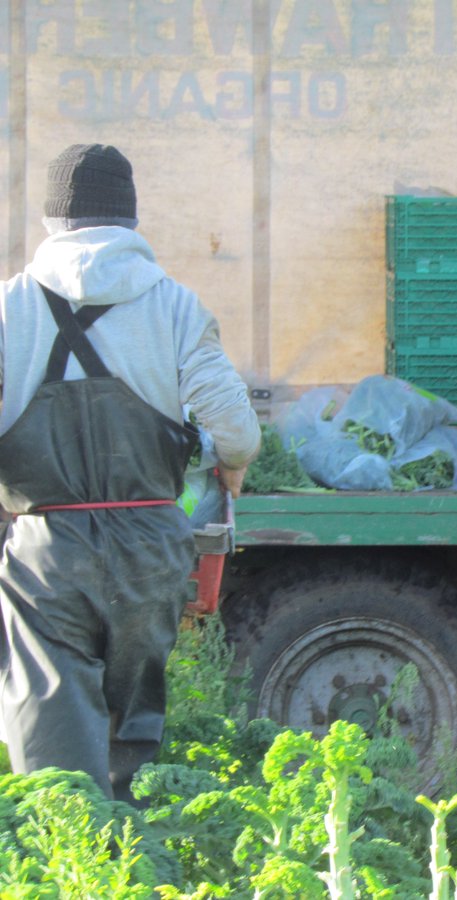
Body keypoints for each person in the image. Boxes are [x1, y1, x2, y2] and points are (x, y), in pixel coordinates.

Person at [0, 143, 261, 803]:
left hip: (47, 550)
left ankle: (70, 860)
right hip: (150, 547)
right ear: (131, 215)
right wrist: (230, 472)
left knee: (51, 724)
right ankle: (134, 854)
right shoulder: (176, 306)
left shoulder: (8, 309)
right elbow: (235, 430)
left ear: (53, 219)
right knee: (134, 729)